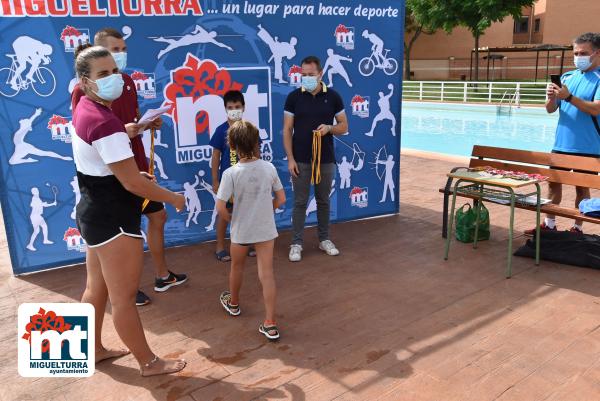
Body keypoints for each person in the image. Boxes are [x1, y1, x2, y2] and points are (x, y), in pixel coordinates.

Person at [72, 28, 187, 306]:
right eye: (113, 51)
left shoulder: (126, 83)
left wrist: (145, 124)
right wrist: (171, 196)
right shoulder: (85, 98)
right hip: (115, 187)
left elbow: (125, 124)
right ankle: (127, 291)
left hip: (133, 170)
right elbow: (95, 133)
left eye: (123, 51)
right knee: (116, 295)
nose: (119, 59)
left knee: (157, 218)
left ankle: (160, 276)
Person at [216, 120, 286, 340]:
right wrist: (266, 210)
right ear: (258, 143)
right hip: (266, 229)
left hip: (241, 231)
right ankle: (270, 323)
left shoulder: (230, 173)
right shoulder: (269, 168)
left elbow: (221, 207)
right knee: (267, 274)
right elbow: (281, 199)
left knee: (236, 267)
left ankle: (234, 303)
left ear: (232, 147)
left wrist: (234, 218)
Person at [526, 32, 600, 235]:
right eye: (575, 52)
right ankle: (549, 225)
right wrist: (551, 97)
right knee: (553, 185)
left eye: (583, 52)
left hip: (588, 146)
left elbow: (596, 109)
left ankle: (577, 227)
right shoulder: (568, 77)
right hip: (561, 144)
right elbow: (550, 109)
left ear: (597, 53)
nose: (578, 57)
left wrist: (568, 97)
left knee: (581, 189)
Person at [284, 56, 348, 262]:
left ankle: (324, 239)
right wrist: (290, 159)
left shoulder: (334, 97)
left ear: (321, 74)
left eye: (310, 75)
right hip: (300, 159)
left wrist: (329, 128)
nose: (306, 78)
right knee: (300, 202)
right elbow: (287, 130)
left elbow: (344, 126)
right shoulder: (293, 97)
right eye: (303, 74)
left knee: (323, 201)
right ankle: (296, 243)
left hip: (326, 159)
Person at [209, 90, 258, 262]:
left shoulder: (250, 130)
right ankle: (220, 246)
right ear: (225, 109)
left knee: (248, 212)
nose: (234, 110)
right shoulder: (221, 130)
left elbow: (256, 153)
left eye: (237, 107)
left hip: (247, 180)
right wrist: (215, 180)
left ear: (243, 107)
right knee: (224, 212)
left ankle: (249, 243)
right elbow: (215, 156)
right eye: (230, 107)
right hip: (227, 181)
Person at [154, 25, 233, 59]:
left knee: (175, 44)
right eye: (212, 34)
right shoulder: (205, 33)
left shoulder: (210, 39)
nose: (212, 36)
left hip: (189, 41)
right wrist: (195, 32)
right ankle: (163, 50)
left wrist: (228, 47)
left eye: (213, 36)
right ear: (210, 32)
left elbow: (220, 44)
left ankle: (163, 42)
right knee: (175, 44)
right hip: (188, 38)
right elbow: (197, 26)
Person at [26, 187, 56, 251]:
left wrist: (52, 204)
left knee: (44, 227)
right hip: (35, 216)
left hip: (38, 216)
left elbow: (43, 205)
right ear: (32, 193)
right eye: (35, 191)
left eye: (37, 190)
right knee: (37, 231)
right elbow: (35, 205)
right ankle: (30, 245)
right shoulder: (34, 198)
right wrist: (42, 204)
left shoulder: (38, 198)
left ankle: (45, 240)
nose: (37, 191)